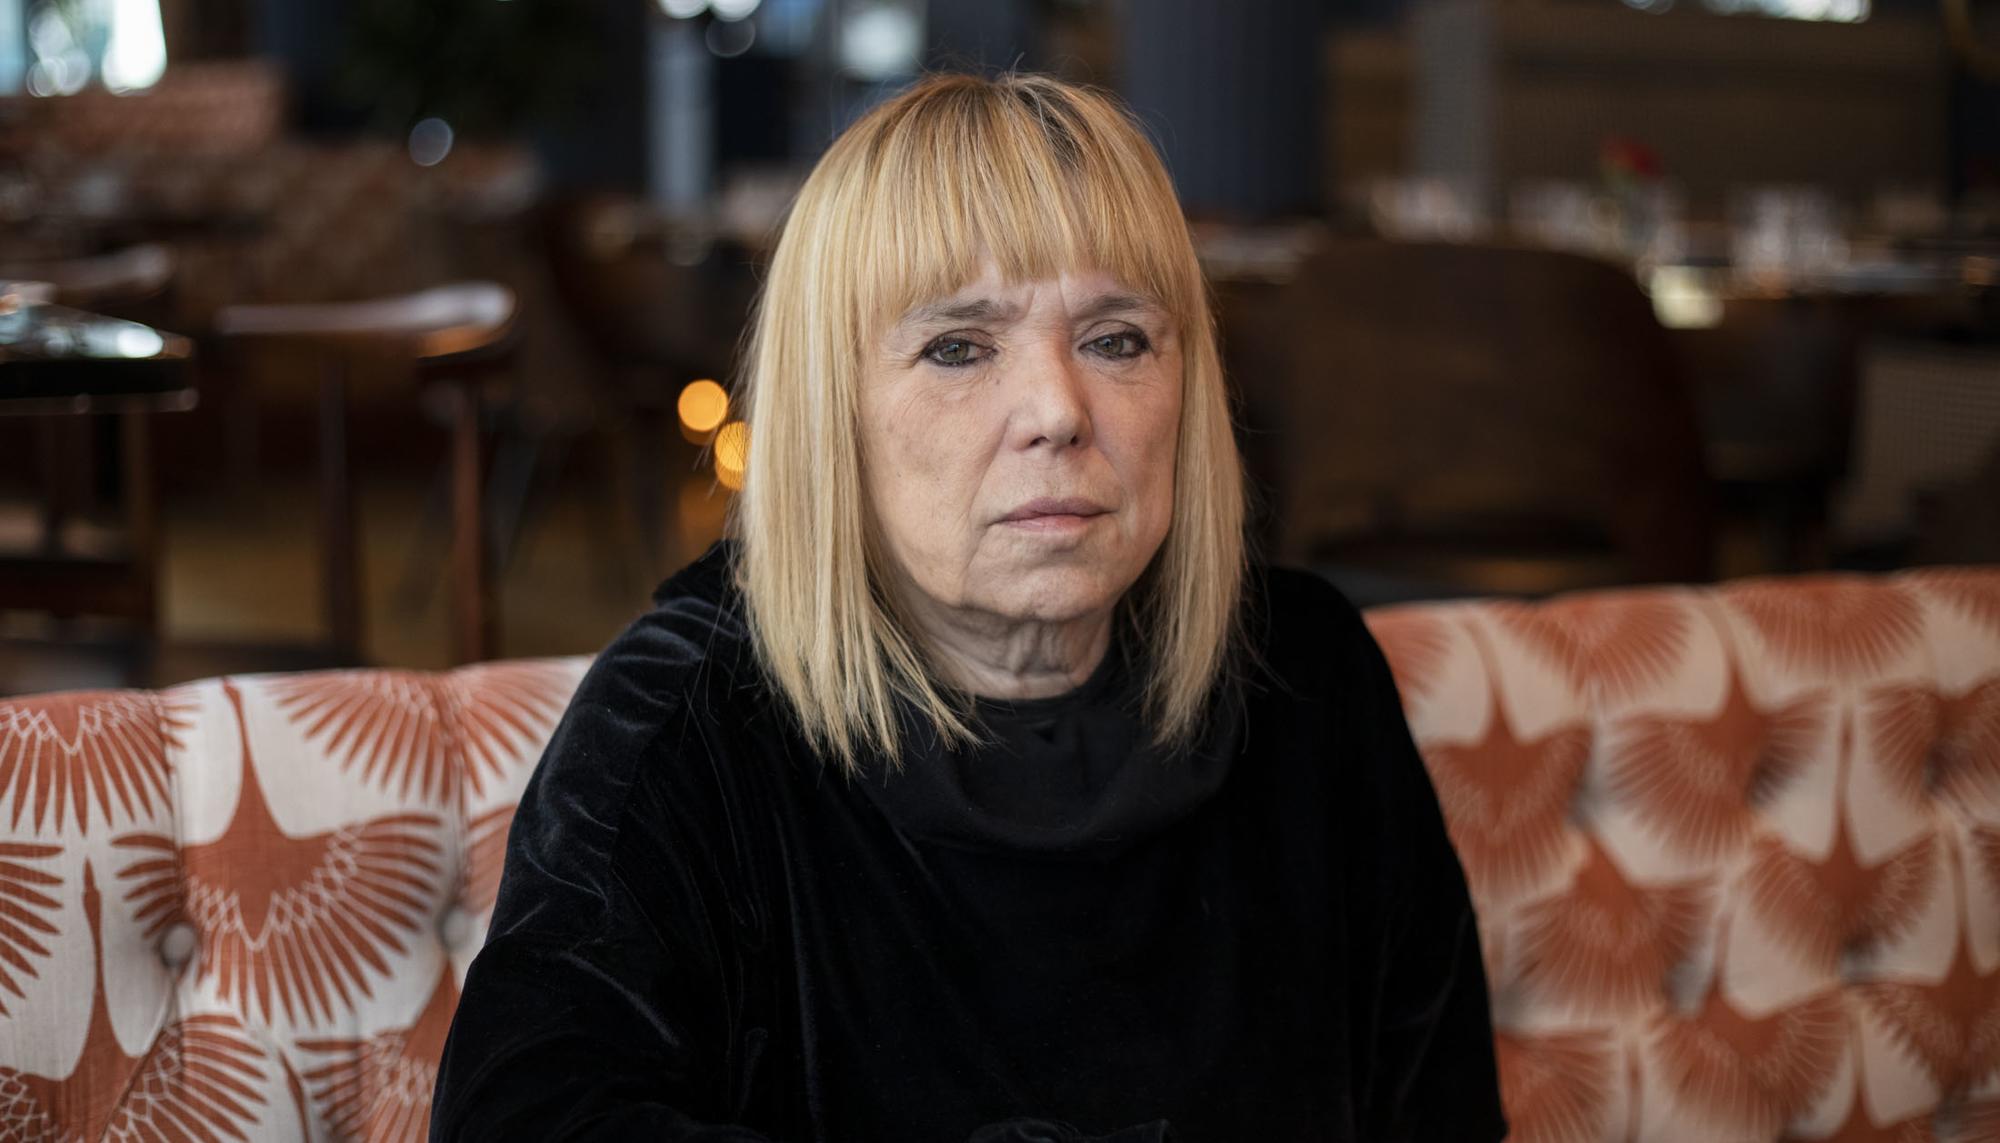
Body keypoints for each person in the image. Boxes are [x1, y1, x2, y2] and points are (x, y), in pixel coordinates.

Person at [430, 72, 1505, 1143]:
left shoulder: (1305, 670)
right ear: (833, 409)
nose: (1057, 410)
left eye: (1116, 338)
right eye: (957, 347)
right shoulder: (685, 723)